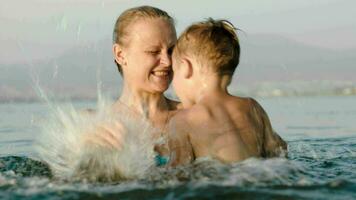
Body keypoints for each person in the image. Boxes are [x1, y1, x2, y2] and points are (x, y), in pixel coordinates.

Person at [168, 18, 287, 166]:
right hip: (258, 175)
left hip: (223, 183)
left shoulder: (183, 120)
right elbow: (278, 150)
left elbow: (177, 171)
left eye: (173, 71)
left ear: (186, 67)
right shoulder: (252, 106)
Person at [85, 6, 179, 163]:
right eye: (153, 51)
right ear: (120, 55)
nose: (167, 61)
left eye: (171, 50)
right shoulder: (94, 124)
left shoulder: (194, 117)